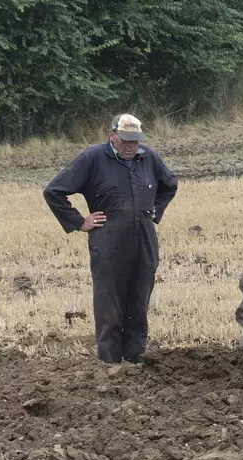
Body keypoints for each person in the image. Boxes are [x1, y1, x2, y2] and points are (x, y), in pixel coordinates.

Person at [44, 113, 179, 364]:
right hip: (108, 242)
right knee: (110, 308)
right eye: (126, 141)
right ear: (112, 136)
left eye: (135, 141)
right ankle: (110, 367)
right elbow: (53, 191)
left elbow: (170, 184)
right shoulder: (93, 158)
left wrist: (155, 211)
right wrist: (80, 222)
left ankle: (135, 361)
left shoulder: (149, 158)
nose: (131, 147)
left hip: (145, 241)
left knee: (139, 305)